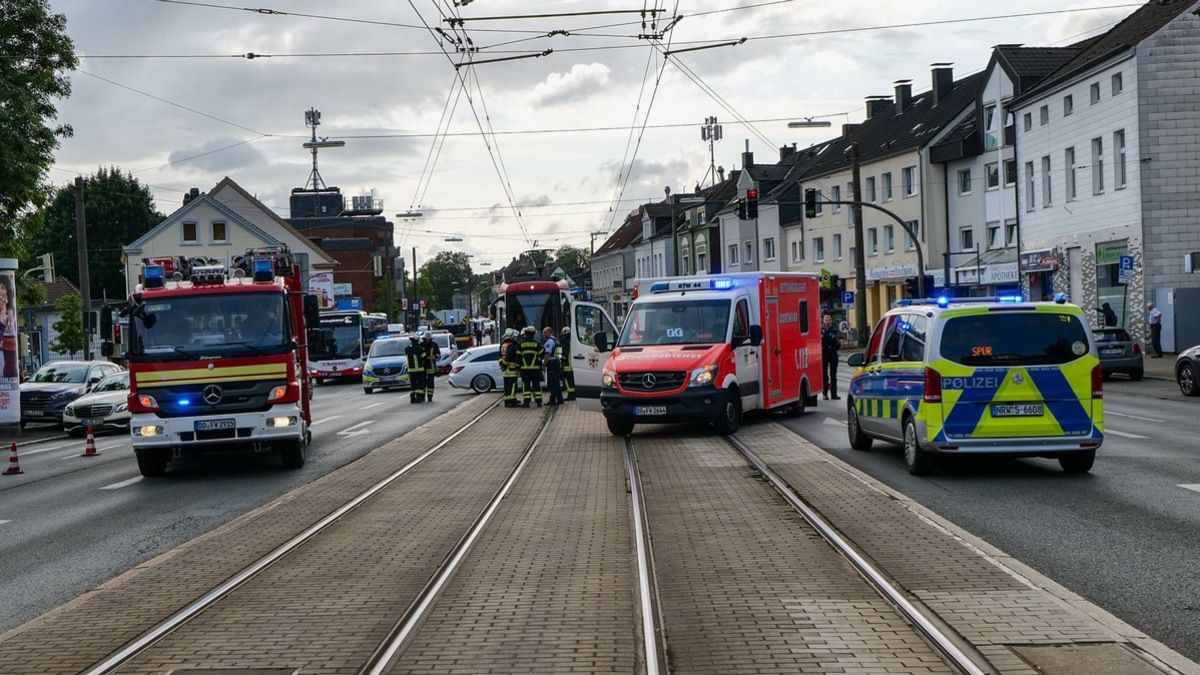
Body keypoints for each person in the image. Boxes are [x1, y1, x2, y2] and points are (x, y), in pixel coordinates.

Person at [517, 325, 544, 407]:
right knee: (536, 385)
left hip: (524, 369)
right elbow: (542, 354)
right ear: (533, 334)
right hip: (535, 369)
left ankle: (526, 402)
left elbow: (518, 357)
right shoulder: (537, 344)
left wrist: (518, 367)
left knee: (526, 385)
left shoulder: (521, 345)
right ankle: (538, 401)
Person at [0, 274, 17, 379]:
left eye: (2, 287)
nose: (0, 291)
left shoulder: (10, 313)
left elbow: (11, 335)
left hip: (7, 359)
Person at [820, 313, 840, 400]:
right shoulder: (821, 331)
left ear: (831, 321)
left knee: (833, 375)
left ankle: (834, 394)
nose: (827, 322)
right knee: (824, 374)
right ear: (823, 322)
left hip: (833, 352)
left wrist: (837, 342)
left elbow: (838, 342)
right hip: (824, 353)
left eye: (829, 320)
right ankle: (825, 393)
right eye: (826, 320)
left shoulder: (834, 330)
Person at [499, 328, 520, 407]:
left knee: (507, 386)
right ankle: (512, 402)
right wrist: (518, 366)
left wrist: (502, 365)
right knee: (512, 386)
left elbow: (500, 357)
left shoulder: (503, 345)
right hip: (512, 370)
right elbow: (510, 357)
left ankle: (507, 401)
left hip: (505, 371)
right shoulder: (512, 346)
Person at [542, 326, 563, 405]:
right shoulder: (556, 340)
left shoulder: (550, 341)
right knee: (556, 382)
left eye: (545, 332)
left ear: (550, 332)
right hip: (556, 362)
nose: (543, 334)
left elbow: (548, 354)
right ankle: (559, 399)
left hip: (552, 363)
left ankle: (553, 399)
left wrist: (544, 364)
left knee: (551, 383)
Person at [405, 334, 426, 403]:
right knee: (420, 384)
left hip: (411, 370)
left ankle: (412, 398)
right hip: (419, 370)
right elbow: (424, 357)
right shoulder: (419, 348)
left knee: (413, 384)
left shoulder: (407, 349)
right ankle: (419, 398)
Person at [422, 332, 441, 401]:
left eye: (429, 338)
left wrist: (435, 357)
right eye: (426, 338)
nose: (428, 339)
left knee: (430, 383)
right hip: (422, 367)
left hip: (431, 366)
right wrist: (425, 358)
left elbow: (438, 354)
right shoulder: (421, 345)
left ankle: (430, 397)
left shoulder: (434, 345)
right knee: (423, 383)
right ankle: (422, 397)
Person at [560, 326, 576, 401]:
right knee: (572, 380)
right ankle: (573, 394)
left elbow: (565, 354)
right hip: (572, 364)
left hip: (567, 365)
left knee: (568, 381)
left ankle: (571, 395)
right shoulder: (572, 340)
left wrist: (562, 360)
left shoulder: (565, 342)